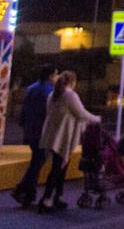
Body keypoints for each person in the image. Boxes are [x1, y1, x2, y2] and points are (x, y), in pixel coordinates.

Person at [35, 70, 99, 213]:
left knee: (59, 167)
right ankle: (47, 199)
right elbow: (81, 113)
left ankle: (56, 197)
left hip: (52, 135)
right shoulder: (70, 95)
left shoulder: (53, 95)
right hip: (63, 137)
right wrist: (97, 119)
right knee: (58, 168)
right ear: (72, 82)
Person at [12, 64, 56, 206]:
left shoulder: (31, 88)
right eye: (55, 74)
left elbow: (24, 109)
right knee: (38, 161)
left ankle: (28, 193)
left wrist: (23, 123)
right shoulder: (50, 91)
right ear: (50, 75)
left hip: (30, 129)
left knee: (36, 160)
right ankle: (22, 189)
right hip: (42, 131)